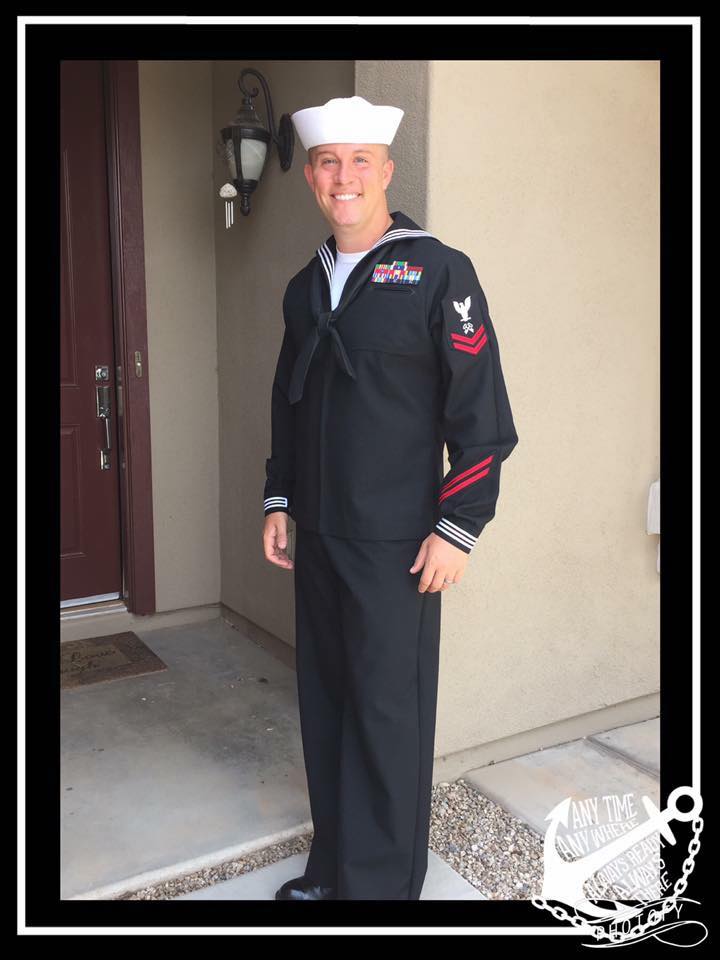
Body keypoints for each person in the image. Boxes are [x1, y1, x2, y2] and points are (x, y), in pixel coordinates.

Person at [263, 96, 519, 900]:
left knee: (385, 716)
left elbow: (483, 417)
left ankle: (377, 891)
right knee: (328, 702)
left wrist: (457, 527)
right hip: (321, 535)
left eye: (359, 162)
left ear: (387, 172)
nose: (345, 178)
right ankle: (334, 866)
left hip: (400, 541)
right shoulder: (307, 286)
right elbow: (288, 401)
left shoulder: (439, 270)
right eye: (329, 163)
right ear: (311, 178)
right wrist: (279, 499)